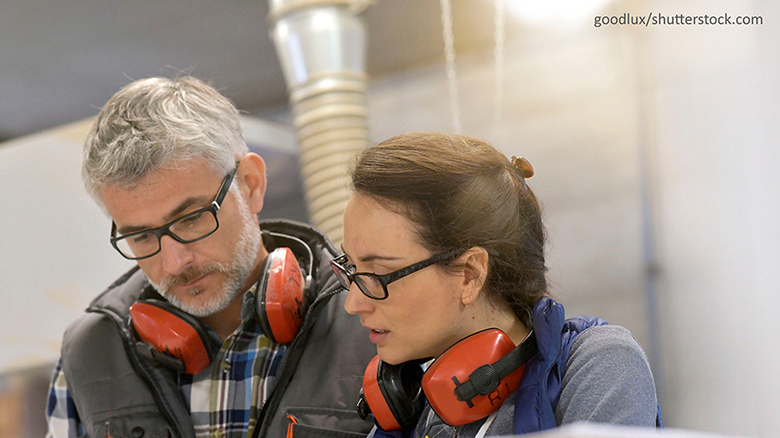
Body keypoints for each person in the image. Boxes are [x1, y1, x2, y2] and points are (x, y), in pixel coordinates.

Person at [44, 76, 376, 438]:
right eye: (141, 236)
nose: (175, 263)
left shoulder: (372, 322)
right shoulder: (89, 356)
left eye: (191, 219)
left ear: (250, 184)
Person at [330, 132, 663, 438]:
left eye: (378, 274)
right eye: (352, 269)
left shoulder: (599, 364)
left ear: (469, 275)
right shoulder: (417, 407)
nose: (353, 303)